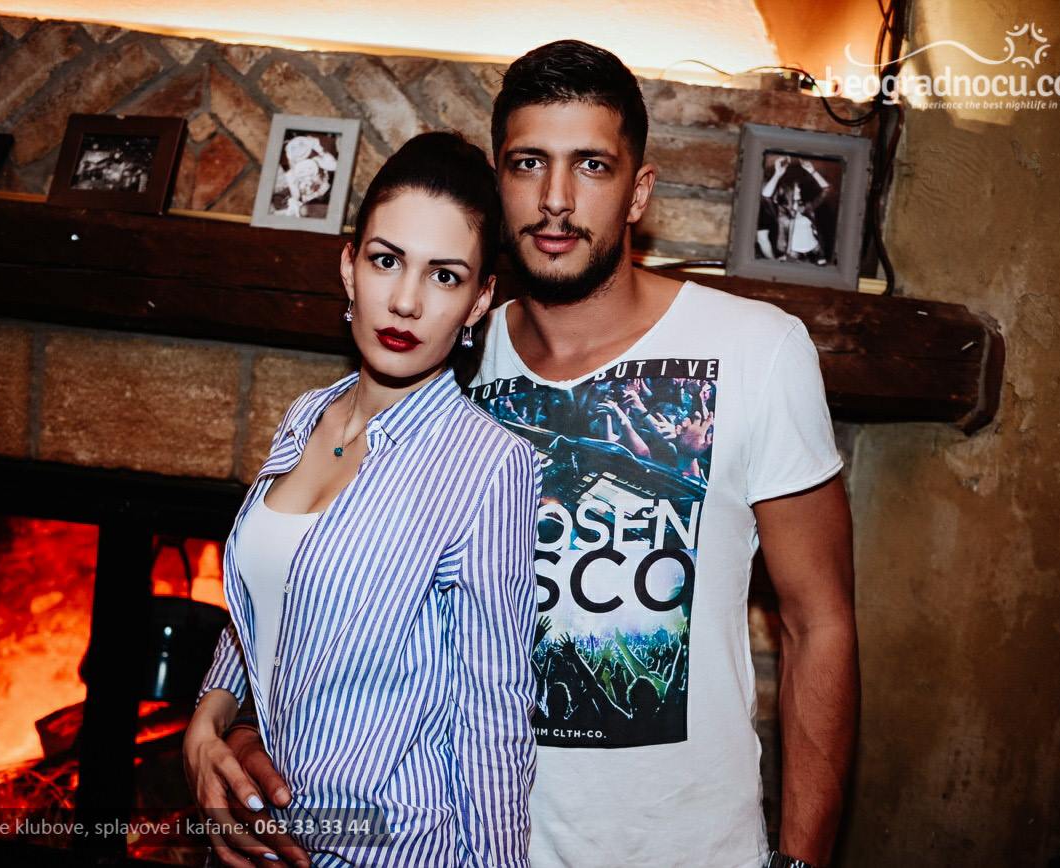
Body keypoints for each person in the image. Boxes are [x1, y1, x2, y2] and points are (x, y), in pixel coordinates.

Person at [218, 40, 859, 868]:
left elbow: (819, 623)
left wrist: (802, 863)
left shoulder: (757, 350)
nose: (556, 201)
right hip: (458, 842)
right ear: (499, 180)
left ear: (639, 191)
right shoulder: (444, 347)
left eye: (592, 165)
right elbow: (315, 569)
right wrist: (237, 719)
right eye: (529, 164)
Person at [184, 131, 541, 868]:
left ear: (479, 301)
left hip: (391, 848)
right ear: (349, 267)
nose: (406, 301)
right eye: (386, 261)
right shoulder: (304, 416)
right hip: (266, 837)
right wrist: (207, 720)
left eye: (445, 276)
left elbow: (494, 716)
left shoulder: (488, 467)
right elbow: (270, 597)